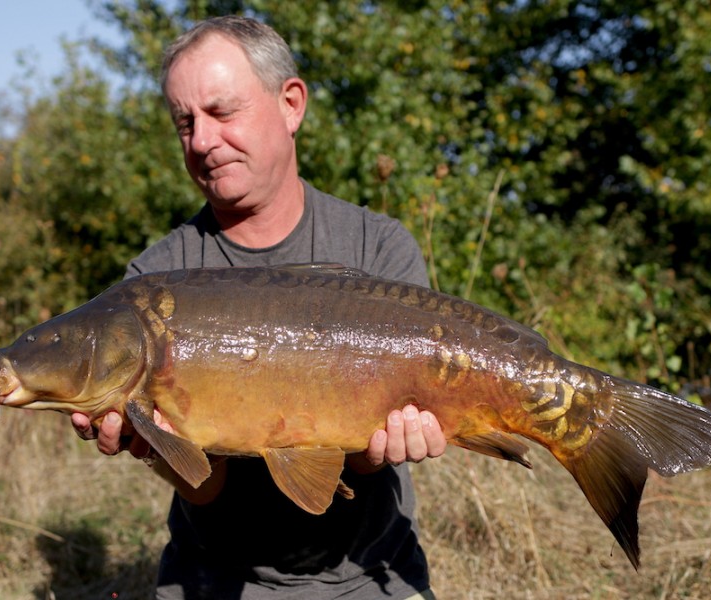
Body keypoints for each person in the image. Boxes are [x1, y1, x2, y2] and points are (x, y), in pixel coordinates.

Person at [70, 15, 447, 600]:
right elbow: (203, 486)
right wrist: (156, 443)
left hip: (372, 574)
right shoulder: (153, 283)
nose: (201, 141)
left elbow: (363, 463)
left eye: (222, 113)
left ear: (291, 103)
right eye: (184, 123)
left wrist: (380, 451)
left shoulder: (378, 247)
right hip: (215, 578)